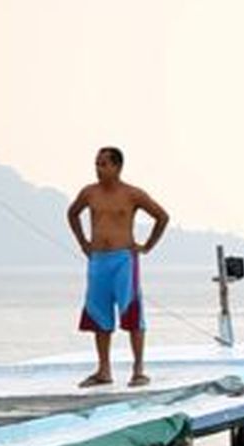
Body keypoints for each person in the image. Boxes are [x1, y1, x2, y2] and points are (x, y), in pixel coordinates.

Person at [68, 146, 170, 388]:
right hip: (98, 260)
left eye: (104, 164)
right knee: (98, 313)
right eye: (97, 164)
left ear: (117, 166)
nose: (99, 169)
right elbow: (72, 214)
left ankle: (138, 369)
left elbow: (161, 216)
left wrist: (146, 246)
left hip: (124, 259)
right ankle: (104, 370)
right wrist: (83, 242)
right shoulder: (89, 193)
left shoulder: (132, 194)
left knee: (131, 312)